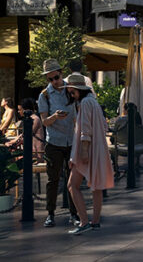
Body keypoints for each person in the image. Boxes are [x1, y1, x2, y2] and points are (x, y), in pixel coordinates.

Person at [64, 73, 112, 235]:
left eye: (72, 92)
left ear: (78, 90)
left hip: (87, 150)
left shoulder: (85, 103)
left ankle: (84, 221)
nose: (71, 95)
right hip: (98, 148)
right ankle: (95, 221)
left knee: (72, 185)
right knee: (96, 186)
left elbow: (85, 130)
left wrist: (81, 152)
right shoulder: (94, 102)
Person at [37, 58, 80, 228]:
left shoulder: (71, 90)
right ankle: (50, 214)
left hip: (71, 141)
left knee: (72, 180)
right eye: (50, 79)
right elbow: (44, 122)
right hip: (54, 142)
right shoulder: (44, 95)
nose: (54, 81)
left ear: (61, 73)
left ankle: (74, 213)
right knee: (53, 179)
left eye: (56, 77)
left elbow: (79, 111)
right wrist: (54, 117)